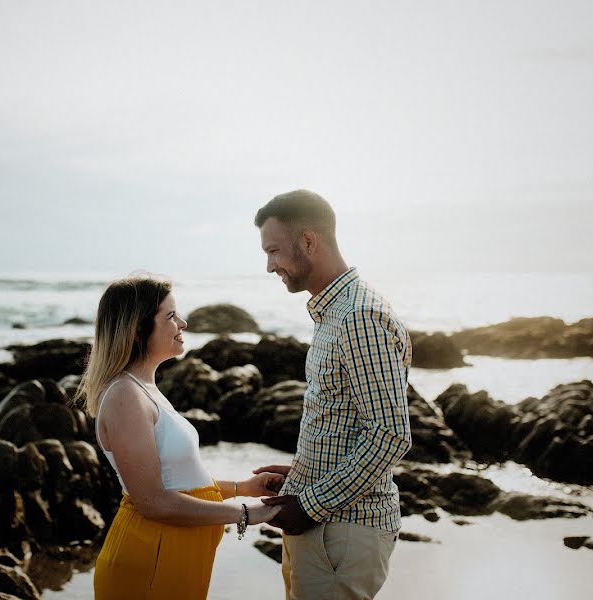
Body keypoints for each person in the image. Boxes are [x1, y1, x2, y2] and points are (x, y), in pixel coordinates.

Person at [75, 274, 284, 600]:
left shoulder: (146, 390)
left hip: (172, 554)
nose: (183, 323)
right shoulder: (124, 396)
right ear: (137, 329)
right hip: (151, 558)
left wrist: (243, 488)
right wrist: (244, 513)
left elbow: (178, 481)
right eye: (170, 316)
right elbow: (153, 502)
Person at [252, 190, 413, 599]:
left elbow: (390, 434)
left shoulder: (359, 316)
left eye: (274, 251)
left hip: (341, 530)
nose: (269, 266)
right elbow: (346, 420)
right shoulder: (333, 312)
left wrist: (310, 504)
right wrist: (304, 473)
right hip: (326, 525)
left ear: (309, 241)